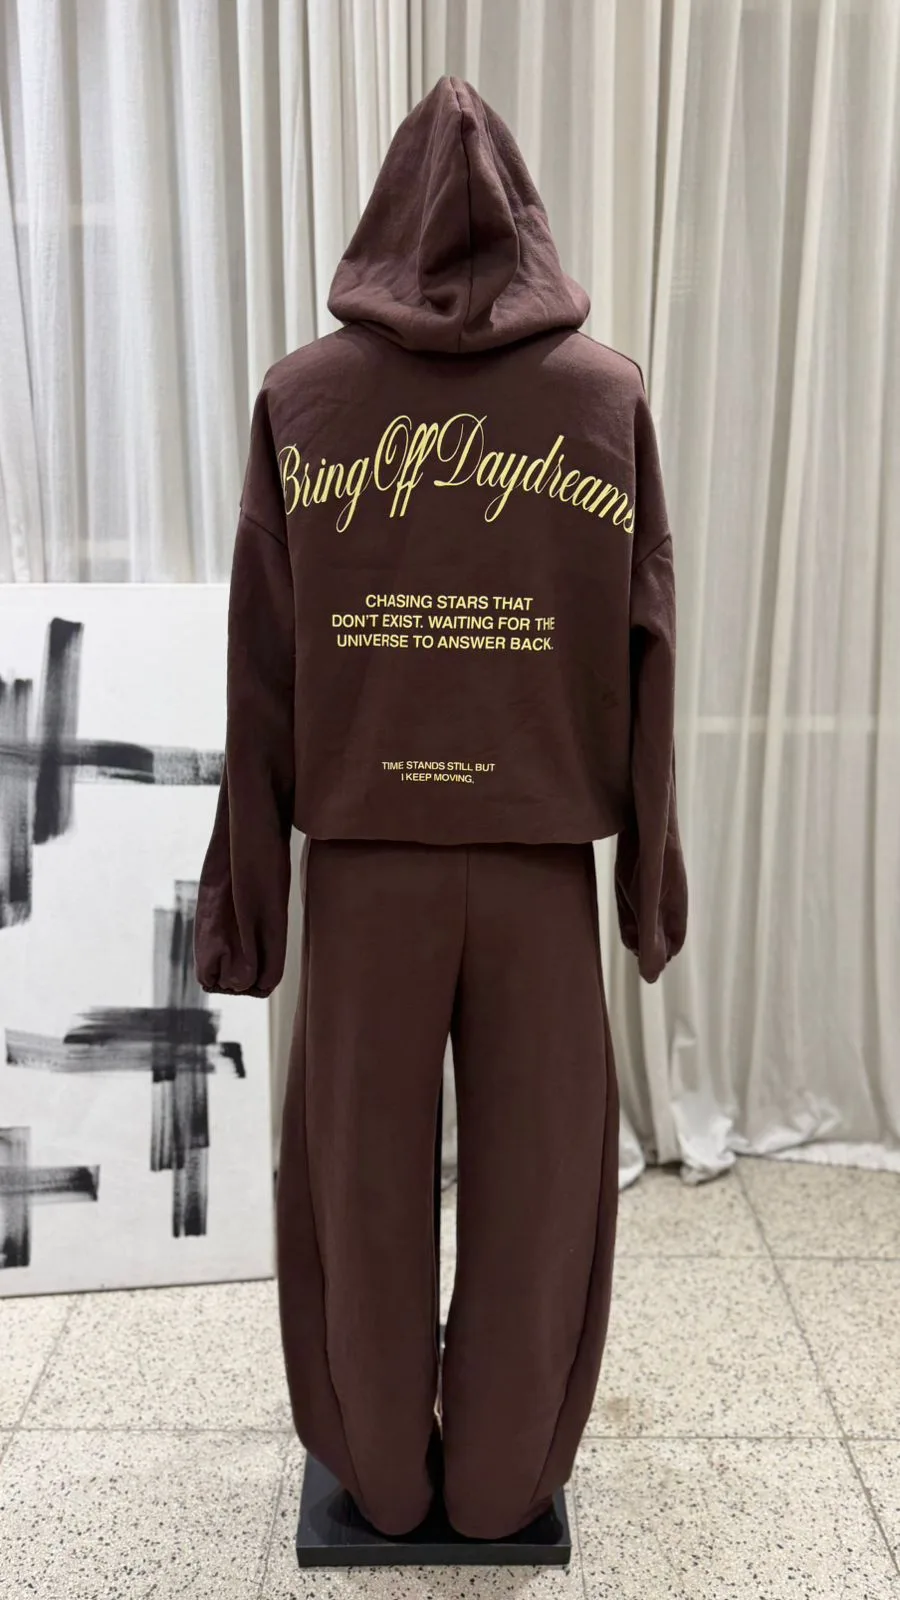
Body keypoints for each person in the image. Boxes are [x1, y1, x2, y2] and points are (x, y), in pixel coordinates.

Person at [195, 74, 687, 1541]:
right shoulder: (604, 397)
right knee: (543, 1191)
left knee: (354, 1185)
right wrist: (646, 889)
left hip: (366, 870)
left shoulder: (305, 398)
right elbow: (651, 644)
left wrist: (252, 906)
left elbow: (261, 670)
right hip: (536, 868)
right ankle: (500, 1483)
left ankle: (384, 1477)